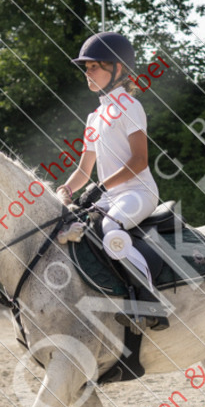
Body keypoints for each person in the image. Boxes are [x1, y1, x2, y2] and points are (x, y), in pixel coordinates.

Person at [57, 32, 168, 332]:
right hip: (109, 196)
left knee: (110, 229)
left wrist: (102, 186)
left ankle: (150, 303)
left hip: (137, 192)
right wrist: (66, 190)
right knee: (70, 229)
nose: (88, 73)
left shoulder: (130, 106)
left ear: (117, 69)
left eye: (94, 66)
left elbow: (139, 161)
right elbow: (84, 170)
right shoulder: (94, 117)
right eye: (86, 68)